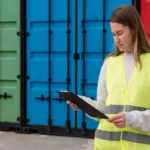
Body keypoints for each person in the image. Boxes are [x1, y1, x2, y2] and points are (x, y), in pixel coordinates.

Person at [67, 4, 150, 150]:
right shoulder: (109, 63)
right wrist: (82, 103)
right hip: (106, 146)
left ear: (134, 29)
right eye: (113, 34)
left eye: (120, 33)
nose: (116, 40)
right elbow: (103, 108)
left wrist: (130, 119)